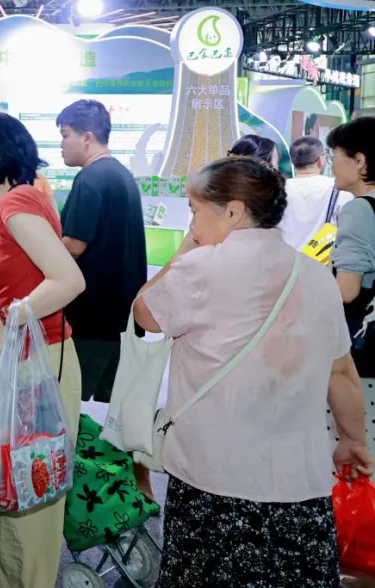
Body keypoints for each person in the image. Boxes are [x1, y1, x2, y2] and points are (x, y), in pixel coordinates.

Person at [133, 156, 372, 587]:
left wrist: (189, 247)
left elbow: (144, 312)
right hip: (300, 486)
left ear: (232, 211)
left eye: (195, 212)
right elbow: (341, 373)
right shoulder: (316, 277)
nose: (192, 225)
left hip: (212, 482)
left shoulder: (200, 269)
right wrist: (353, 441)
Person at [0, 112, 85, 588]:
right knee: (12, 495)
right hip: (32, 360)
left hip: (38, 364)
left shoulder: (16, 201)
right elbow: (28, 284)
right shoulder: (28, 198)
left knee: (27, 505)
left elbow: (69, 280)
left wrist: (9, 318)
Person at [55, 101, 150, 496]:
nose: (62, 145)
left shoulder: (91, 179)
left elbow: (72, 245)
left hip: (90, 317)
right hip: (121, 316)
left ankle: (69, 490)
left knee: (65, 404)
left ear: (87, 137)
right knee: (122, 408)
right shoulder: (122, 176)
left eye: (65, 136)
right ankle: (136, 488)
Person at [329, 118, 375, 378]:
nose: (332, 165)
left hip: (363, 349)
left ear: (359, 160)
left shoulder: (359, 209)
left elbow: (346, 291)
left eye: (334, 156)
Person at [280, 135, 352, 250]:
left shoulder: (278, 189)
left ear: (292, 161)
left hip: (284, 257)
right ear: (321, 160)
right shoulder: (339, 189)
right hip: (321, 258)